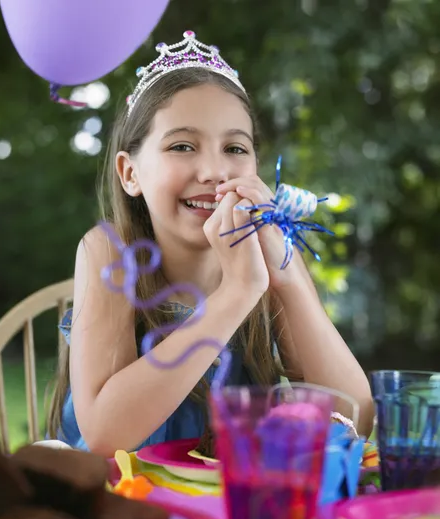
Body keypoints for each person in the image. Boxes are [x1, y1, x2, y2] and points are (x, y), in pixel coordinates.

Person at [47, 31, 374, 457]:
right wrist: (237, 292)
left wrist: (286, 277)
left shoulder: (271, 255)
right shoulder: (110, 252)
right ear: (130, 173)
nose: (214, 170)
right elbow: (107, 437)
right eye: (182, 145)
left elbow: (356, 419)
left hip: (230, 503)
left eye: (235, 147)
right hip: (123, 498)